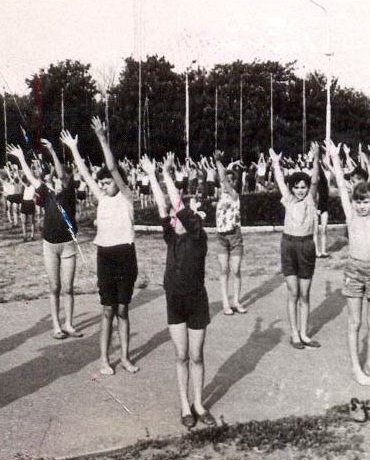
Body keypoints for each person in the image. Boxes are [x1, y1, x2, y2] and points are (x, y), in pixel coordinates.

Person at [140, 153, 216, 429]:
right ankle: (185, 405)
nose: (173, 219)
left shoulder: (198, 235)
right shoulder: (172, 237)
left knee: (197, 356)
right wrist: (151, 175)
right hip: (175, 300)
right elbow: (164, 206)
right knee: (181, 355)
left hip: (197, 300)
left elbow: (176, 204)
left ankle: (198, 403)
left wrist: (167, 175)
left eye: (177, 216)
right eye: (172, 219)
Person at [61, 117, 139, 374]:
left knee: (123, 310)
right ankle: (105, 359)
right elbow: (83, 172)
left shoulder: (127, 196)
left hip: (126, 255)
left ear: (118, 182)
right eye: (101, 183)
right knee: (107, 310)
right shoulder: (101, 198)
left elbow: (113, 166)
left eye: (107, 182)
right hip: (105, 255)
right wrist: (73, 149)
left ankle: (126, 358)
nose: (104, 186)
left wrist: (102, 139)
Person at [328, 135, 370, 386]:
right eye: (358, 201)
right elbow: (344, 191)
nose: (361, 205)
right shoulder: (351, 216)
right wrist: (335, 158)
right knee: (355, 322)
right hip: (354, 270)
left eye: (365, 201)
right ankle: (357, 367)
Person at [8, 140, 82, 339]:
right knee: (55, 287)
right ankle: (57, 326)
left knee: (68, 287)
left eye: (61, 179)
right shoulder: (47, 194)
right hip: (50, 246)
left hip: (68, 246)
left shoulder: (68, 193)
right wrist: (22, 159)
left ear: (66, 180)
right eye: (55, 179)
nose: (57, 181)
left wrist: (52, 151)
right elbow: (32, 179)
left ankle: (69, 324)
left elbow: (61, 173)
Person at [271, 142, 321, 349]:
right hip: (289, 245)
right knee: (293, 293)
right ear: (292, 188)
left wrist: (316, 158)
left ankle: (304, 333)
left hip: (306, 245)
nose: (300, 191)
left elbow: (316, 179)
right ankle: (294, 334)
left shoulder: (310, 199)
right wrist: (275, 163)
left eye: (304, 187)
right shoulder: (289, 200)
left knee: (305, 293)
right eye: (297, 187)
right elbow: (281, 182)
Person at [213, 151, 247, 316]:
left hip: (234, 236)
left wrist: (219, 162)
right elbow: (222, 179)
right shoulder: (221, 195)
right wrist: (223, 165)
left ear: (235, 182)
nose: (227, 182)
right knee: (224, 270)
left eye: (231, 180)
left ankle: (236, 301)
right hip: (221, 237)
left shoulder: (234, 195)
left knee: (236, 270)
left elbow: (224, 179)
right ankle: (226, 302)